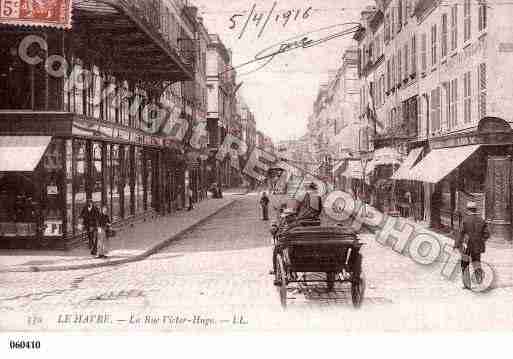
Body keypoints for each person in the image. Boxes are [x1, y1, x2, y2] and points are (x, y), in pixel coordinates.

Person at [454, 201, 490, 290]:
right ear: (475, 210)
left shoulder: (465, 220)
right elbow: (487, 234)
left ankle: (467, 284)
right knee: (477, 262)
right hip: (477, 246)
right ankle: (479, 281)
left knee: (465, 264)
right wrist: (481, 240)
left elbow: (460, 233)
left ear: (468, 210)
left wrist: (457, 244)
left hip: (467, 246)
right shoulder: (481, 220)